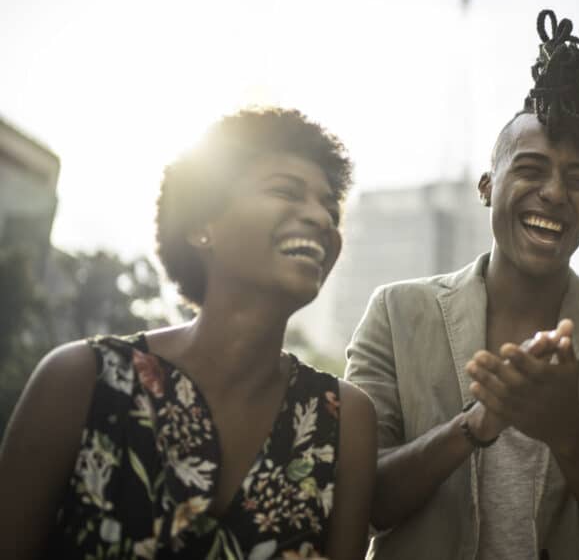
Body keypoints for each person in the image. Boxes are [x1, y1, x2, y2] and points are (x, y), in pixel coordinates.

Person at [345, 9, 579, 559]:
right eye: (530, 169)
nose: (555, 192)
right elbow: (361, 502)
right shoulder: (396, 313)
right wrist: (476, 425)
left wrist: (568, 429)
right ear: (487, 186)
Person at [0, 108, 376, 559]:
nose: (321, 217)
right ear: (202, 226)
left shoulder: (345, 421)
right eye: (285, 191)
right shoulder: (80, 381)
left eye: (329, 206)